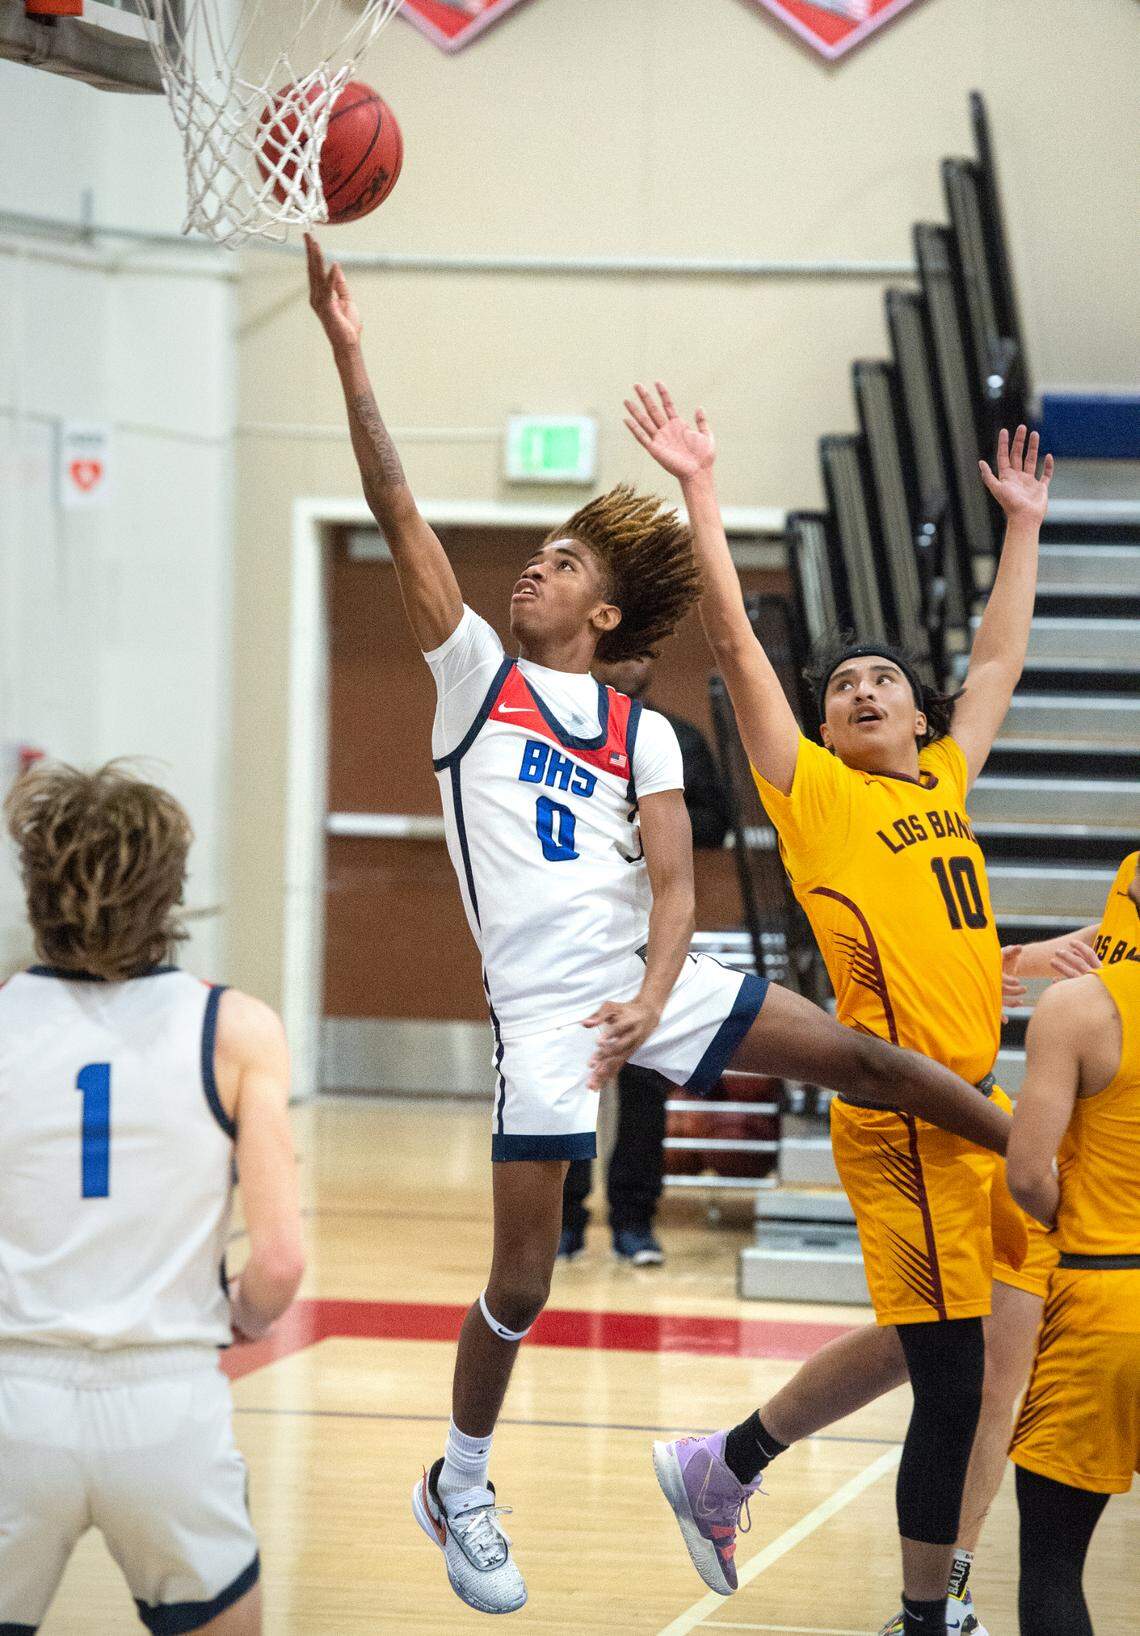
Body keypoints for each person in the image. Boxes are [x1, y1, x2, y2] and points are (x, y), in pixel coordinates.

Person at [306, 236, 1010, 1618]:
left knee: (862, 1058)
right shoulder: (473, 687)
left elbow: (679, 889)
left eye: (562, 565)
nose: (535, 575)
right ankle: (459, 1480)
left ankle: (1022, 1148)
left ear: (606, 608)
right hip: (545, 1015)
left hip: (653, 980)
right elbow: (397, 510)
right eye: (539, 559)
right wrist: (349, 352)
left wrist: (657, 991)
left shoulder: (644, 730)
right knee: (520, 1275)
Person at [625, 382, 1053, 1636]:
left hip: (974, 1096)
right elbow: (740, 644)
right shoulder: (813, 796)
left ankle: (729, 1460)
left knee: (936, 1339)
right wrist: (702, 492)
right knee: (956, 1377)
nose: (865, 691)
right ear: (819, 725)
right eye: (844, 686)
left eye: (885, 682)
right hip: (907, 1114)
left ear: (920, 717)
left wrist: (1021, 525)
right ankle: (925, 1618)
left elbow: (997, 657)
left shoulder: (948, 774)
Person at [0, 762, 304, 1636]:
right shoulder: (234, 1028)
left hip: (17, 1397)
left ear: (36, 885)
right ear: (170, 887)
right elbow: (280, 1263)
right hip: (167, 1401)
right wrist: (241, 1318)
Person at [1006, 851, 1140, 1636]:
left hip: (1105, 1297)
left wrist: (1071, 1216)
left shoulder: (1078, 1007)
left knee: (1054, 1566)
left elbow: (1027, 1175)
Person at [559, 652, 731, 1266]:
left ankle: (634, 1220)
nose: (627, 661)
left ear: (652, 662)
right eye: (616, 649)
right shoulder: (558, 732)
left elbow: (718, 819)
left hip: (646, 936)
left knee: (644, 1086)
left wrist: (650, 820)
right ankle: (565, 1224)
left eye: (640, 650)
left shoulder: (675, 736)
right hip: (573, 938)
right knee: (567, 1083)